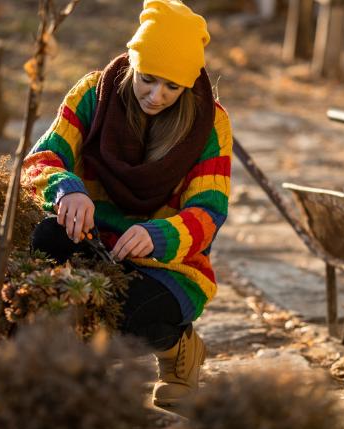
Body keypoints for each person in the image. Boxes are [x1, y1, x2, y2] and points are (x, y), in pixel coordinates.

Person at [22, 0, 232, 407]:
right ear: (134, 62)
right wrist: (68, 189)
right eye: (149, 79)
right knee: (43, 240)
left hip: (170, 263)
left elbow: (209, 212)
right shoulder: (92, 93)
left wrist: (158, 234)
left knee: (129, 320)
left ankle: (179, 351)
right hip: (93, 237)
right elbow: (39, 161)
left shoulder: (210, 122)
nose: (157, 96)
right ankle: (45, 369)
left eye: (173, 87)